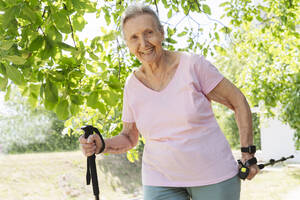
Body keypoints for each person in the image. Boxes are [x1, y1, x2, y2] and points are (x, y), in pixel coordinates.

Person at [79, 4, 259, 200]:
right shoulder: (132, 85)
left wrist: (247, 154)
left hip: (213, 176)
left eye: (149, 33)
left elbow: (238, 102)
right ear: (128, 44)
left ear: (161, 33)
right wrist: (102, 144)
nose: (144, 43)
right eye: (134, 37)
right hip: (160, 180)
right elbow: (129, 137)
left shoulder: (193, 66)